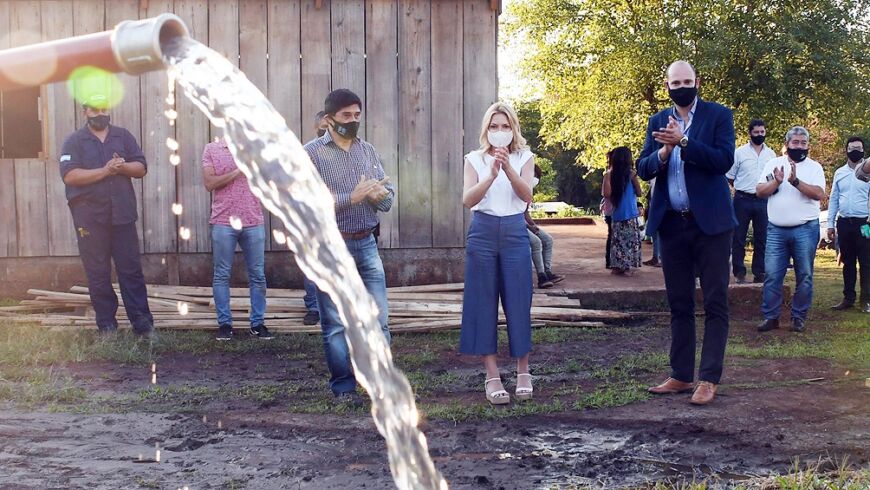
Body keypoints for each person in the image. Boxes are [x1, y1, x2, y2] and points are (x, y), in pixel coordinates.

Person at [637, 60, 736, 406]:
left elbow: (723, 160)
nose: (681, 86)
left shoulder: (718, 116)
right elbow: (642, 167)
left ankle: (708, 379)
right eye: (675, 82)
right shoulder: (657, 120)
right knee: (679, 303)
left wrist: (683, 143)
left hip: (710, 225)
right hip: (672, 224)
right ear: (667, 86)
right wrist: (663, 152)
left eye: (686, 81)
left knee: (714, 301)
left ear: (697, 81)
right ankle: (680, 375)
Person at [304, 89, 394, 401]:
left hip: (367, 243)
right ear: (329, 119)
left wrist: (380, 197)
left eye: (357, 115)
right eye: (346, 116)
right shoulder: (311, 154)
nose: (353, 120)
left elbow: (389, 195)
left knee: (379, 320)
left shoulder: (367, 150)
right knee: (335, 324)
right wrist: (351, 198)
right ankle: (344, 386)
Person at [59, 94, 154, 337]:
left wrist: (121, 167)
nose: (100, 113)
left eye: (104, 108)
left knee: (130, 270)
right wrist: (105, 171)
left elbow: (141, 167)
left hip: (122, 214)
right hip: (89, 217)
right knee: (97, 271)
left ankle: (143, 326)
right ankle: (107, 326)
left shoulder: (123, 136)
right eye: (95, 110)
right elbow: (70, 175)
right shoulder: (74, 141)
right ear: (85, 112)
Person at [461, 102, 535, 406]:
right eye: (494, 126)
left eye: (505, 126)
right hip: (483, 231)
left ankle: (523, 372)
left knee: (519, 300)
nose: (500, 132)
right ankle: (492, 375)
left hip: (516, 231)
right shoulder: (474, 159)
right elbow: (468, 199)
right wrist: (491, 174)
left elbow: (527, 196)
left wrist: (508, 168)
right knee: (483, 302)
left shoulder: (524, 157)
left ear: (513, 128)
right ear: (486, 129)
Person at [756, 126, 827, 333]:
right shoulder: (773, 164)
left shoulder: (815, 167)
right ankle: (771, 317)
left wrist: (795, 181)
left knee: (804, 275)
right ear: (787, 145)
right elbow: (760, 191)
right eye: (795, 143)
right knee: (772, 275)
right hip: (776, 229)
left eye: (803, 143)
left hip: (805, 229)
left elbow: (818, 194)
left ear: (808, 146)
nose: (799, 146)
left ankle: (798, 317)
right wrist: (776, 181)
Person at [202, 137, 272, 341]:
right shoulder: (212, 149)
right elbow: (210, 183)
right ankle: (225, 325)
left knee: (258, 274)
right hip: (223, 221)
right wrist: (238, 170)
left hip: (253, 220)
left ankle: (257, 324)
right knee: (222, 274)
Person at [727, 119, 776, 283]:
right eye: (756, 132)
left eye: (762, 132)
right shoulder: (739, 153)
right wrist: (743, 187)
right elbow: (730, 177)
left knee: (762, 237)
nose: (760, 135)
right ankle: (739, 272)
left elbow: (774, 178)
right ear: (750, 133)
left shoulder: (771, 154)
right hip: (742, 199)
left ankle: (759, 271)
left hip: (763, 200)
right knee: (738, 237)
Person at [828, 137, 870, 313]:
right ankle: (848, 298)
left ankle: (866, 300)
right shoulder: (839, 173)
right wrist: (830, 224)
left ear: (863, 151)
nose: (855, 151)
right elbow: (834, 199)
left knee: (867, 262)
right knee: (848, 262)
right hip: (844, 222)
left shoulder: (868, 171)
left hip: (864, 224)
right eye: (852, 148)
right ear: (846, 150)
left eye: (859, 148)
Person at [300, 111, 330, 326]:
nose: (325, 131)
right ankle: (313, 307)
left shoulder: (350, 150)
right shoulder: (308, 151)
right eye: (322, 127)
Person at [603, 147, 643, 275]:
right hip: (625, 214)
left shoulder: (629, 174)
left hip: (624, 214)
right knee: (625, 241)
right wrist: (607, 176)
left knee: (620, 241)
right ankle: (622, 267)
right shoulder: (611, 174)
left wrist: (633, 178)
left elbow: (639, 192)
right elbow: (607, 194)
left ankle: (621, 266)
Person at [525, 165, 564, 288]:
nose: (535, 179)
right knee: (536, 242)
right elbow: (513, 213)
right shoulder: (516, 187)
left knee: (547, 239)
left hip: (525, 224)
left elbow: (525, 212)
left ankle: (548, 272)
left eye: (536, 176)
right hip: (514, 224)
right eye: (533, 176)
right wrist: (529, 227)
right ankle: (541, 277)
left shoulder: (528, 190)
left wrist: (533, 225)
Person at [642, 177, 663, 267]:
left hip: (660, 205)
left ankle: (660, 258)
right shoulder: (653, 176)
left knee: (660, 233)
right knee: (655, 234)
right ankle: (656, 257)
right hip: (653, 205)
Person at [601, 153, 615, 269]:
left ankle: (612, 260)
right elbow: (605, 193)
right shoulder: (609, 174)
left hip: (614, 211)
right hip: (611, 211)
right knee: (612, 236)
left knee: (614, 236)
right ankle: (609, 260)